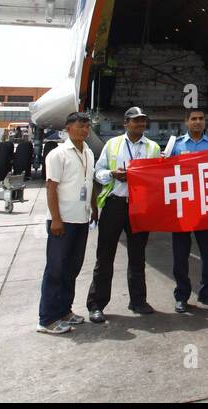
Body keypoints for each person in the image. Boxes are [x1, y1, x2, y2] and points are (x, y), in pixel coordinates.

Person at [86, 106, 160, 322]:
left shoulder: (153, 147)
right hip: (115, 205)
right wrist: (112, 174)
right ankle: (96, 304)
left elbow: (157, 176)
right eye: (136, 121)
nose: (140, 124)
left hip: (139, 207)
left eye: (143, 121)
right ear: (126, 123)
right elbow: (97, 173)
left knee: (138, 256)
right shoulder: (113, 144)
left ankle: (138, 301)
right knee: (105, 256)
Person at [37, 111, 96, 334]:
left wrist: (94, 207)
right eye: (80, 126)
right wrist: (56, 219)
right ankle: (47, 319)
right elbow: (51, 188)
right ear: (68, 128)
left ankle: (64, 310)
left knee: (72, 268)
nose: (85, 130)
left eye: (87, 126)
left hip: (81, 218)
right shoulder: (58, 154)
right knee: (55, 269)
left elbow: (88, 183)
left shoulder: (88, 153)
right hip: (63, 221)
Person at [167, 107, 208, 312]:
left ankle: (207, 293)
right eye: (194, 119)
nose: (198, 122)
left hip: (206, 208)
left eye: (201, 119)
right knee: (180, 254)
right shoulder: (175, 146)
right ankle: (181, 295)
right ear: (186, 122)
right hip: (183, 208)